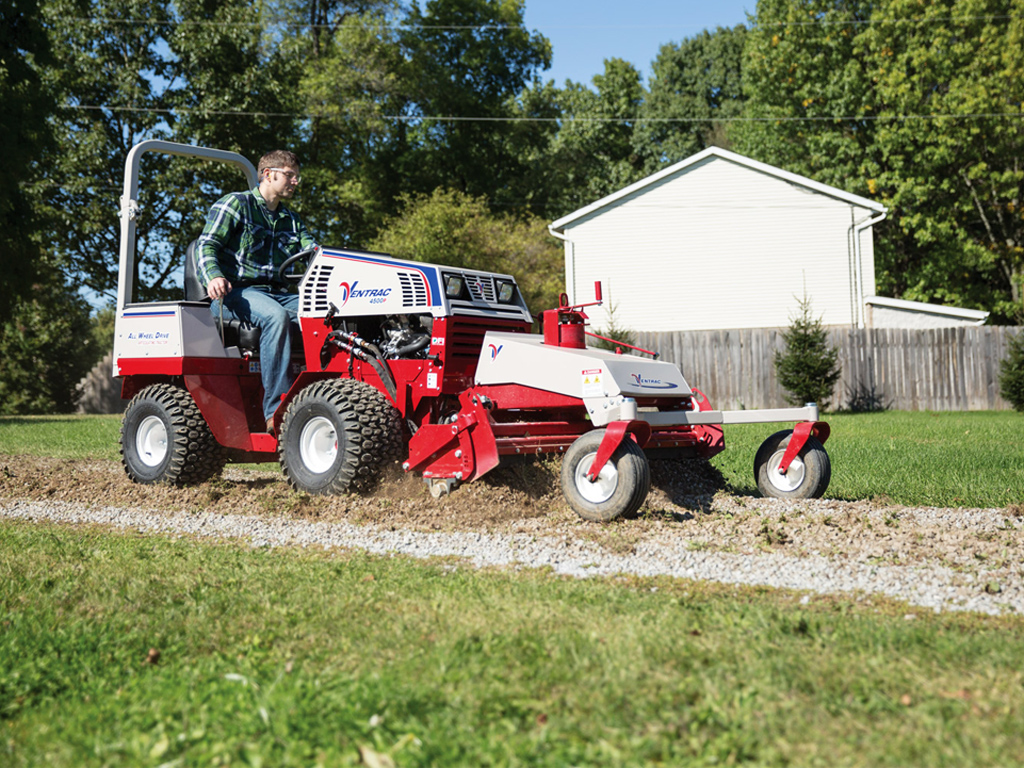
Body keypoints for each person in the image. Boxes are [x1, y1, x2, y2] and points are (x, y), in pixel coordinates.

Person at [196, 149, 318, 434]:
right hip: (234, 295)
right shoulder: (236, 204)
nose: (295, 181)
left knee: (325, 312)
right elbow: (206, 245)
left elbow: (313, 251)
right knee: (276, 317)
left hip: (278, 294)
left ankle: (322, 398)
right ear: (268, 174)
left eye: (297, 176)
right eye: (289, 175)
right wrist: (213, 276)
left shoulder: (291, 219)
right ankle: (278, 411)